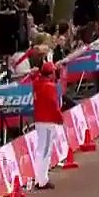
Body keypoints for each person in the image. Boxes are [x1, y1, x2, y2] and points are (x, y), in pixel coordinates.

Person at [32, 61, 64, 189]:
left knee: (42, 150)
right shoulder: (49, 87)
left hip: (39, 120)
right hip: (48, 121)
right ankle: (41, 180)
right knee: (44, 151)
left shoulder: (36, 84)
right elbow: (53, 105)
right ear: (51, 74)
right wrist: (59, 117)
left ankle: (41, 178)